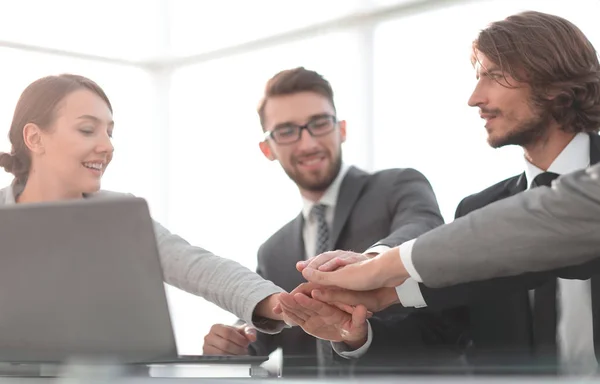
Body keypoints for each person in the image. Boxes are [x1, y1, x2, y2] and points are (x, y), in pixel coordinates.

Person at [288, 11, 600, 374]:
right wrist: (356, 335)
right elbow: (439, 333)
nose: (474, 98)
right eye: (477, 77)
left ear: (552, 81)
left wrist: (380, 270)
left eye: (494, 76)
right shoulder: (478, 209)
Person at [201, 67, 451, 375]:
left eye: (319, 124)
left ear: (341, 129)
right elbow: (262, 340)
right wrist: (234, 343)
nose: (307, 144)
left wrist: (370, 262)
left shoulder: (398, 186)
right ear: (268, 149)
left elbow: (424, 230)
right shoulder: (273, 251)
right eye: (287, 131)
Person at [0, 74, 287, 337]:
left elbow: (201, 268)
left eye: (109, 133)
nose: (107, 147)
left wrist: (283, 305)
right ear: (35, 138)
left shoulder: (118, 216)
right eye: (87, 130)